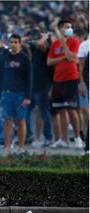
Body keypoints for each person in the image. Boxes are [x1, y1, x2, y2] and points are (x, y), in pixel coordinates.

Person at [47, 19, 83, 149]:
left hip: (71, 79)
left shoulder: (75, 41)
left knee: (71, 109)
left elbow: (72, 57)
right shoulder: (55, 44)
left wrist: (63, 42)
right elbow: (49, 62)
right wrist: (62, 57)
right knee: (61, 110)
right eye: (67, 27)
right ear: (61, 29)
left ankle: (78, 137)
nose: (70, 29)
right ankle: (63, 139)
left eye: (71, 27)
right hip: (57, 80)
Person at [0, 33, 33, 155]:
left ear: (20, 43)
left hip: (21, 94)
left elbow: (29, 79)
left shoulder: (25, 59)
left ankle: (20, 147)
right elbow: (0, 78)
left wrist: (28, 96)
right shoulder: (5, 57)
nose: (13, 44)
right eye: (11, 42)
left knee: (21, 121)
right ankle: (7, 147)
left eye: (16, 42)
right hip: (6, 94)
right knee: (7, 120)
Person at [22, 30, 53, 147]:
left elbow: (40, 45)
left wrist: (45, 36)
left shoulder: (47, 50)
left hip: (43, 87)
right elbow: (22, 42)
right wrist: (29, 36)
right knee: (25, 113)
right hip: (32, 87)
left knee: (44, 113)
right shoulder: (35, 50)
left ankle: (48, 137)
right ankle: (28, 135)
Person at [77, 32, 89, 153]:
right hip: (86, 83)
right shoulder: (85, 45)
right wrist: (82, 83)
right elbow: (80, 68)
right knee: (85, 111)